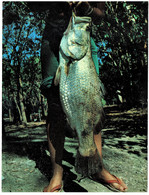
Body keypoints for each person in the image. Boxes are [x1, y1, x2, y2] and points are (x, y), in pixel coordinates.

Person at [27, 2, 128, 192]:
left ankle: (97, 166)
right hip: (54, 37)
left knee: (92, 103)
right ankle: (57, 174)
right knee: (55, 107)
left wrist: (87, 6)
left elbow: (100, 13)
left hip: (82, 40)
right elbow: (33, 6)